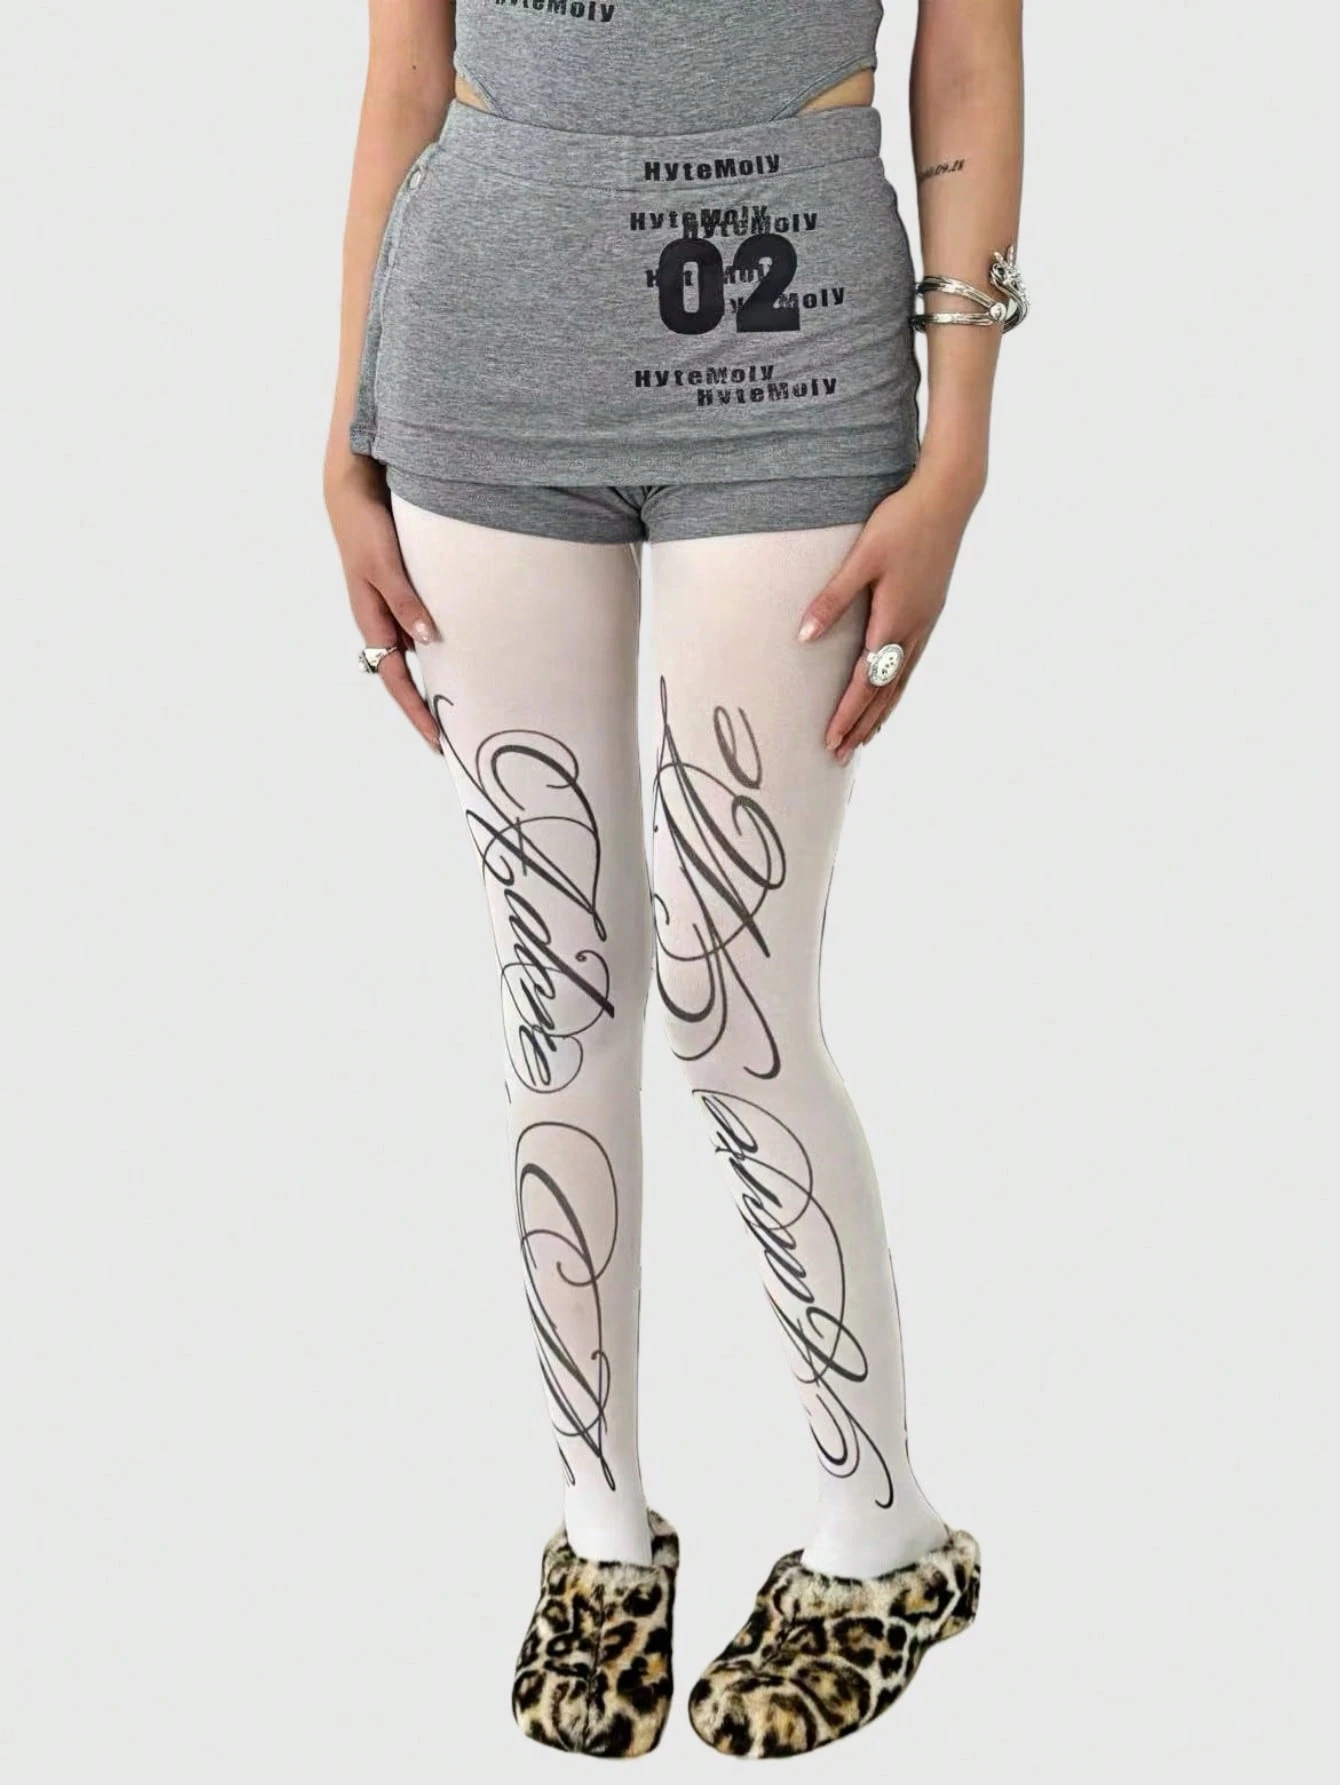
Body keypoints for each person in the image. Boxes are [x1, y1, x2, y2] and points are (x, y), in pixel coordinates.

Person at [323, 0, 1025, 1759]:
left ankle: (885, 1540)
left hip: (784, 345)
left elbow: (968, 49)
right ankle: (598, 1534)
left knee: (736, 1010)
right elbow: (408, 63)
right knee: (558, 994)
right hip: (482, 361)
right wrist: (347, 429)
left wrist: (960, 449)